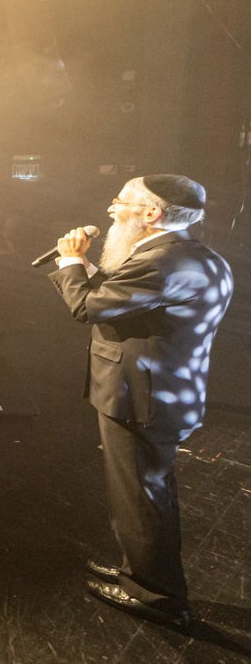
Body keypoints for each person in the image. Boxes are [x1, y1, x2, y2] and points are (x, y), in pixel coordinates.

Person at [49, 174, 232, 629]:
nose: (112, 208)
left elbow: (88, 307)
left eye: (121, 200)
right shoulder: (195, 256)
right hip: (165, 393)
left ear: (152, 213)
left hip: (140, 398)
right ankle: (141, 571)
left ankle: (154, 596)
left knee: (139, 498)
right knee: (147, 495)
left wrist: (70, 262)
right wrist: (85, 265)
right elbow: (124, 300)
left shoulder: (161, 262)